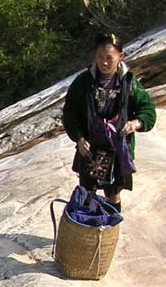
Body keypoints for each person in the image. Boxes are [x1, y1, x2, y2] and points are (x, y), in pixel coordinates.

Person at [62, 32, 156, 213]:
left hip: (117, 149)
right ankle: (87, 235)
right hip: (90, 148)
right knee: (87, 193)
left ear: (120, 57)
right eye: (100, 57)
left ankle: (109, 235)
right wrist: (79, 138)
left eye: (109, 58)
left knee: (113, 194)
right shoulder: (83, 82)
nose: (104, 62)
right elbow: (70, 114)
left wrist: (135, 123)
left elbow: (148, 111)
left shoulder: (129, 83)